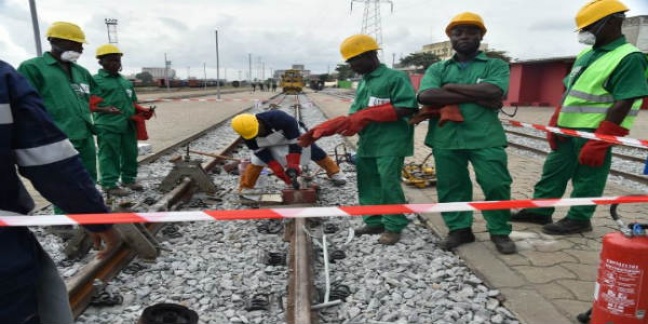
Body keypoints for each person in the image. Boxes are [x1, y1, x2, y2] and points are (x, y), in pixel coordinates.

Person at [511, 0, 648, 235]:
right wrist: (555, 121)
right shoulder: (586, 54)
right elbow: (570, 91)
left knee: (588, 178)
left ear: (614, 21)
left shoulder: (629, 57)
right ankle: (540, 211)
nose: (585, 34)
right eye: (583, 29)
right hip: (566, 129)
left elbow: (623, 101)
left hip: (595, 131)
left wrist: (601, 140)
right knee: (553, 171)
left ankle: (579, 218)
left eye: (590, 27)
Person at [0, 60, 120, 324]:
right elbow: (50, 164)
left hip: (82, 134)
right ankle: (62, 220)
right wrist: (96, 217)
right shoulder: (12, 74)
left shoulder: (82, 73)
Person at [299, 34, 418, 245]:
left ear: (370, 54)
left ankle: (393, 225)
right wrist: (338, 125)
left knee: (388, 183)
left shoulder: (395, 78)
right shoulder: (364, 83)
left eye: (355, 60)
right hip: (368, 142)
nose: (352, 65)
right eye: (349, 61)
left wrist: (368, 115)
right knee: (368, 182)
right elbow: (355, 114)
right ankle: (374, 220)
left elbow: (407, 107)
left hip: (391, 142)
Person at [414, 12, 516, 254]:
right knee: (452, 186)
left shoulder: (495, 65)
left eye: (471, 31)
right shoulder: (438, 68)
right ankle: (460, 230)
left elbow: (494, 91)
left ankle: (500, 231)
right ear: (450, 38)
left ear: (481, 35)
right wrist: (477, 94)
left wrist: (449, 88)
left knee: (496, 183)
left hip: (486, 137)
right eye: (458, 32)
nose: (464, 36)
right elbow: (426, 96)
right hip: (446, 138)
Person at [231, 111, 347, 192]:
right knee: (256, 161)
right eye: (253, 134)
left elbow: (296, 143)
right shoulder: (247, 136)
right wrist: (275, 167)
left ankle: (334, 172)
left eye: (257, 130)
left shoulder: (280, 118)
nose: (256, 134)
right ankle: (246, 187)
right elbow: (260, 152)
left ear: (257, 121)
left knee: (312, 149)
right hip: (267, 143)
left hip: (292, 137)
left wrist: (293, 164)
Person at [93, 44, 154, 197]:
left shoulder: (125, 82)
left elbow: (132, 103)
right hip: (108, 125)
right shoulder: (95, 81)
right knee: (109, 154)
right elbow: (88, 104)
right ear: (100, 62)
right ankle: (109, 183)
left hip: (128, 124)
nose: (116, 63)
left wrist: (143, 111)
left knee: (130, 152)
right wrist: (104, 109)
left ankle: (128, 179)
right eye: (111, 60)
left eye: (118, 60)